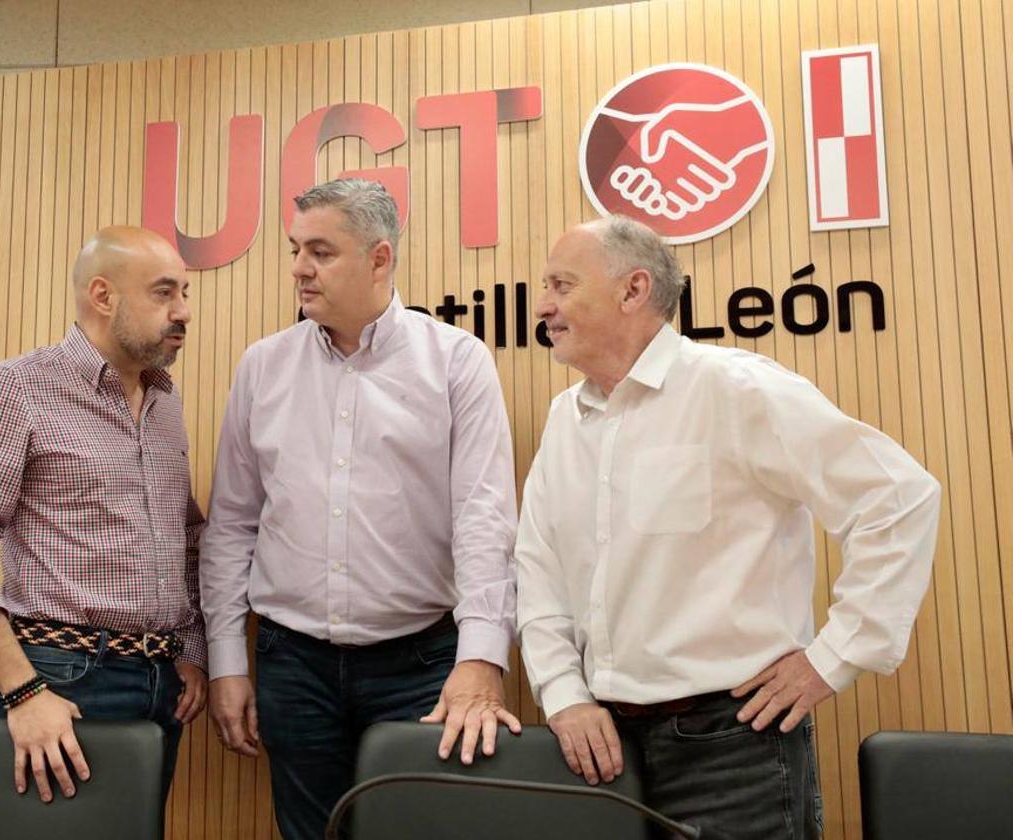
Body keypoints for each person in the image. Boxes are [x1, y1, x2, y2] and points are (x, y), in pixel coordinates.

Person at [515, 216, 941, 839]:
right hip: (600, 746)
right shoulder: (565, 418)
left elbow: (898, 499)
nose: (544, 304)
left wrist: (836, 656)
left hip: (734, 748)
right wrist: (562, 693)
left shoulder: (737, 388)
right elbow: (538, 567)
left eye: (561, 283)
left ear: (633, 291)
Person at [200, 179, 520, 839]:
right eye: (296, 250)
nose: (299, 269)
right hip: (293, 666)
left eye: (320, 251)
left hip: (424, 665)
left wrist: (482, 657)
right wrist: (228, 659)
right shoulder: (263, 367)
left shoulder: (456, 362)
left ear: (380, 259)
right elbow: (232, 524)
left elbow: (486, 518)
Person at [0, 226, 208, 803]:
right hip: (62, 680)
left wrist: (190, 649)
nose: (184, 312)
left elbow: (184, 536)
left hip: (163, 683)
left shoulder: (164, 400)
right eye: (165, 293)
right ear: (103, 296)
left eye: (186, 293)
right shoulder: (18, 388)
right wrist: (22, 690)